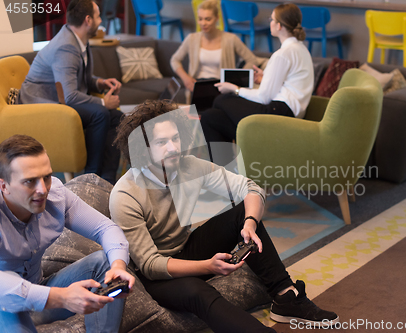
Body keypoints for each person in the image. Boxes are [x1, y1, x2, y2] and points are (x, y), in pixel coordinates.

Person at [110, 100, 338, 333]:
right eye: (161, 142)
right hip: (154, 276)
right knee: (198, 292)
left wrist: (250, 223)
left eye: (175, 138)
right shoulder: (125, 195)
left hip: (185, 248)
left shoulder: (189, 167)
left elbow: (251, 188)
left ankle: (286, 297)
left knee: (241, 212)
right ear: (143, 148)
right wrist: (206, 266)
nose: (173, 148)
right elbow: (150, 265)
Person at [0, 135, 135, 332]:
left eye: (46, 177)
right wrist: (61, 297)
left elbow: (105, 228)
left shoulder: (55, 193)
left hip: (41, 292)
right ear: (3, 186)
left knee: (106, 261)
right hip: (5, 305)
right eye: (29, 181)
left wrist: (118, 265)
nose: (42, 189)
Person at [18, 0, 122, 184]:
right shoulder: (66, 46)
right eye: (98, 16)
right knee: (100, 113)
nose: (101, 21)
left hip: (60, 98)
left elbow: (78, 79)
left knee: (117, 117)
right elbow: (70, 96)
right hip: (42, 103)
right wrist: (104, 103)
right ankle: (89, 178)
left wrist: (101, 83)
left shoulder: (79, 39)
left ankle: (107, 180)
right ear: (88, 20)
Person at [200, 3, 314, 156]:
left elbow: (264, 97)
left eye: (271, 19)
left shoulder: (283, 54)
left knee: (222, 99)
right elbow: (291, 83)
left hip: (277, 112)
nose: (270, 22)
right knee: (209, 117)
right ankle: (230, 162)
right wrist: (267, 78)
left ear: (279, 26)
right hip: (288, 111)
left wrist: (235, 89)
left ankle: (229, 159)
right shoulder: (301, 49)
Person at [170, 0, 264, 92]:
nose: (203, 23)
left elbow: (252, 59)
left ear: (217, 18)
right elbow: (175, 60)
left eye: (208, 19)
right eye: (200, 19)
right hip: (198, 85)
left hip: (221, 86)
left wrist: (237, 78)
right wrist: (185, 78)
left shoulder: (231, 39)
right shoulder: (192, 39)